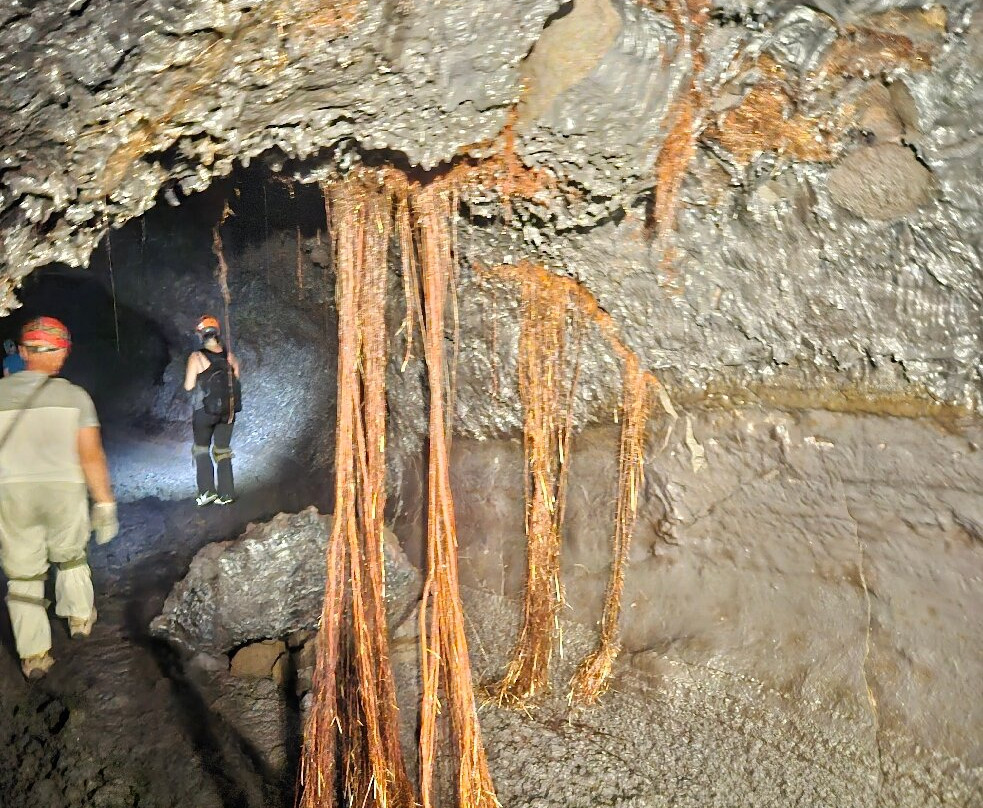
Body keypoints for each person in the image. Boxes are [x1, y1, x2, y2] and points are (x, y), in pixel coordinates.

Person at [0, 317, 118, 679]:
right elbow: (90, 455)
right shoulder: (74, 397)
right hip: (63, 491)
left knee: (22, 573)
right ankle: (79, 618)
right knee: (70, 558)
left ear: (23, 352)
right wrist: (104, 503)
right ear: (62, 354)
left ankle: (34, 654)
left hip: (13, 493)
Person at [184, 315, 240, 506]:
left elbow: (189, 386)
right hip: (228, 412)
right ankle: (227, 494)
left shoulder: (197, 357)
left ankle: (207, 491)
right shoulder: (230, 356)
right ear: (217, 333)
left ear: (200, 335)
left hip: (205, 412)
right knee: (223, 450)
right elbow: (236, 380)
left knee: (201, 448)